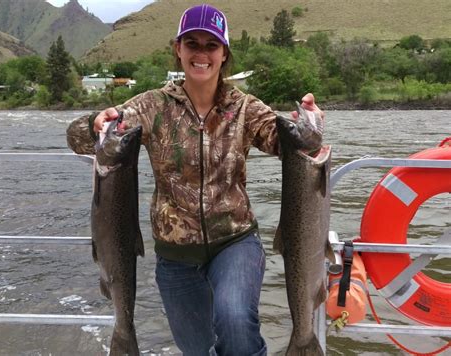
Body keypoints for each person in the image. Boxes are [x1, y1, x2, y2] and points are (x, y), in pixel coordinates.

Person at [66, 3, 324, 355]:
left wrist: (310, 126)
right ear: (178, 49)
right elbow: (80, 140)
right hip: (175, 255)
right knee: (197, 349)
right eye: (192, 44)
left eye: (210, 45)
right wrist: (96, 121)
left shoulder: (245, 107)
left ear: (224, 54)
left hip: (235, 242)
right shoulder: (152, 106)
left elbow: (290, 144)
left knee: (235, 322)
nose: (201, 54)